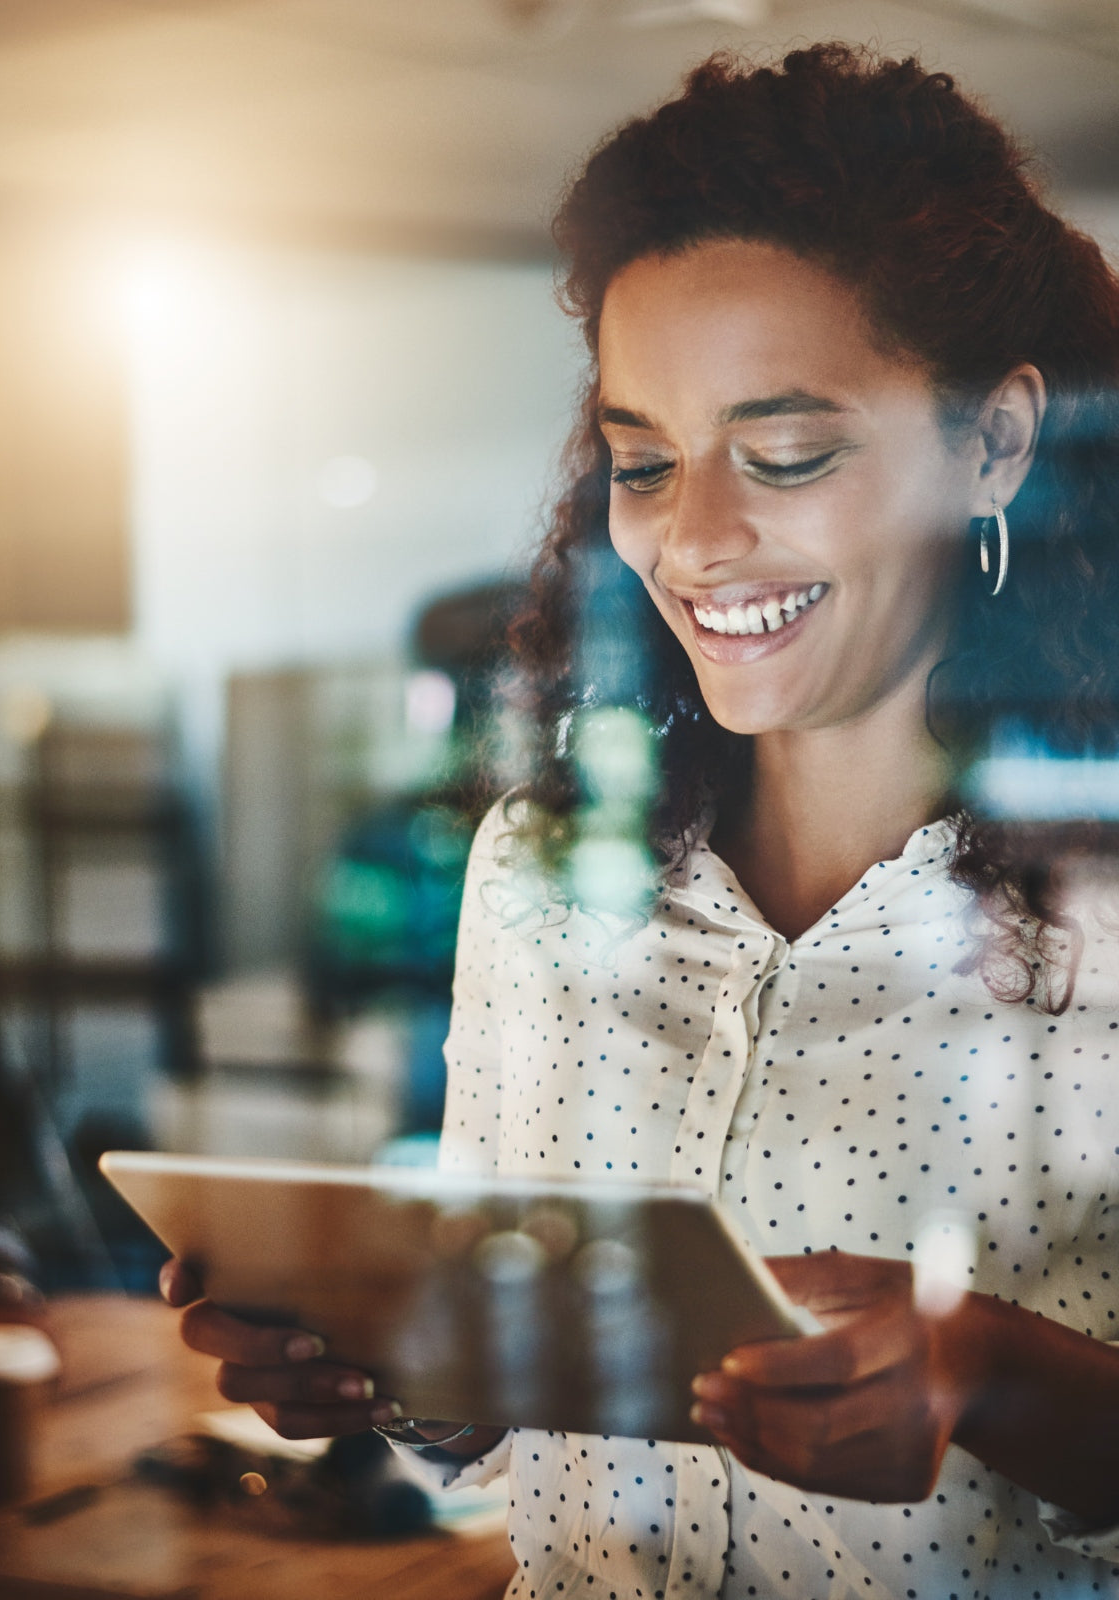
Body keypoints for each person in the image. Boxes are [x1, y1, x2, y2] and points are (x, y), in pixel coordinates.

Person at [162, 44, 1119, 1598]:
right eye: (644, 463)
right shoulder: (541, 878)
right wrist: (388, 1366)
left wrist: (991, 1377)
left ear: (997, 444)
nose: (698, 540)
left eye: (788, 453)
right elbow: (500, 1391)